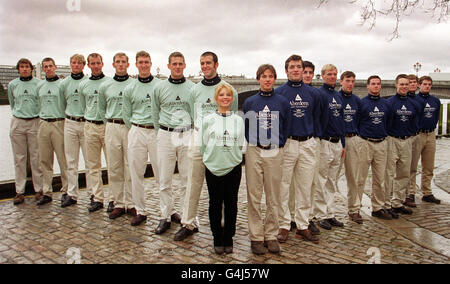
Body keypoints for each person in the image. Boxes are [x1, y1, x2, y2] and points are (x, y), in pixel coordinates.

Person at [174, 51, 238, 241]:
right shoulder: (194, 90)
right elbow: (192, 113)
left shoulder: (228, 89)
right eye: (202, 63)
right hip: (198, 139)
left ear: (216, 65)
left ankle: (224, 226)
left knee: (223, 187)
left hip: (220, 141)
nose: (205, 66)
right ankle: (188, 222)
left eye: (208, 63)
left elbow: (232, 116)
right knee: (193, 182)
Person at [243, 64, 290, 255]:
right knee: (253, 196)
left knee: (273, 196)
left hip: (274, 151)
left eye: (271, 76)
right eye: (264, 76)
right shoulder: (250, 102)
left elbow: (286, 127)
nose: (267, 79)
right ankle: (256, 237)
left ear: (275, 79)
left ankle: (270, 235)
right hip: (254, 149)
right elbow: (246, 127)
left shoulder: (283, 101)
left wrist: (277, 144)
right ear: (258, 79)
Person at [276, 55, 320, 244]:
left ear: (304, 70)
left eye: (299, 67)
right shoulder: (279, 93)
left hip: (308, 142)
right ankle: (284, 224)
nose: (295, 70)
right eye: (292, 67)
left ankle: (302, 225)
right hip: (288, 143)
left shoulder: (314, 94)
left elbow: (320, 117)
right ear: (286, 70)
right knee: (283, 186)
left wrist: (313, 136)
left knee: (305, 185)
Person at [152, 52, 194, 235]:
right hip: (165, 134)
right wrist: (161, 132)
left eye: (180, 64)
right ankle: (165, 216)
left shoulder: (193, 88)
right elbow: (155, 113)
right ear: (168, 66)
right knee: (164, 179)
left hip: (186, 134)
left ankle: (187, 217)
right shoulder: (159, 88)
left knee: (187, 180)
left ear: (185, 65)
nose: (177, 67)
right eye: (174, 64)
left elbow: (194, 113)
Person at [200, 83, 244, 255]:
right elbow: (202, 145)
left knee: (231, 203)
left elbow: (239, 143)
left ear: (232, 99)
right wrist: (210, 159)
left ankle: (229, 237)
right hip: (213, 167)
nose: (225, 97)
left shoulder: (238, 120)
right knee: (215, 203)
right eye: (222, 95)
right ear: (216, 98)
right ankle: (217, 236)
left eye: (228, 95)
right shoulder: (208, 120)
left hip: (233, 167)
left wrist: (231, 157)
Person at [122, 51, 161, 226]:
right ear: (136, 65)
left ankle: (167, 211)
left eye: (146, 62)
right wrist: (137, 128)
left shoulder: (160, 86)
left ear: (151, 64)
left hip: (156, 132)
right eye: (141, 62)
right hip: (137, 130)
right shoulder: (130, 88)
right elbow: (126, 115)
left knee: (162, 173)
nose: (144, 65)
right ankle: (140, 210)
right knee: (136, 173)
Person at [98, 52, 135, 219]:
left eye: (123, 62)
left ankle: (132, 203)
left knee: (131, 166)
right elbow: (101, 109)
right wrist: (110, 124)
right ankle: (118, 203)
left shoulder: (134, 84)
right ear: (113, 65)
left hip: (129, 128)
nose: (120, 65)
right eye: (118, 62)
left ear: (128, 64)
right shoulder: (106, 86)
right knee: (114, 167)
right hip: (112, 126)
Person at [313, 64, 345, 230]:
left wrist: (343, 143)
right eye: (329, 74)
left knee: (332, 181)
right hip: (325, 141)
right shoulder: (319, 94)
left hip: (337, 142)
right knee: (321, 179)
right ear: (323, 76)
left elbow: (341, 119)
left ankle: (330, 212)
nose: (332, 77)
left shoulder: (338, 96)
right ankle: (320, 214)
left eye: (334, 74)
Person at [357, 76, 393, 220]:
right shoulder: (361, 103)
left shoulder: (386, 104)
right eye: (373, 84)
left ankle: (377, 207)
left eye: (378, 84)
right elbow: (357, 122)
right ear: (368, 86)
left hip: (382, 143)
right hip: (365, 142)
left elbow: (388, 122)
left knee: (380, 178)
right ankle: (355, 207)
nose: (376, 86)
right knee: (360, 178)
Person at [384, 74, 421, 216]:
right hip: (392, 139)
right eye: (402, 84)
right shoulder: (389, 103)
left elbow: (415, 122)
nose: (404, 87)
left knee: (404, 173)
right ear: (396, 85)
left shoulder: (414, 104)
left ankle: (398, 202)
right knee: (389, 173)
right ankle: (386, 203)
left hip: (407, 140)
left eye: (406, 84)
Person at [8, 58, 43, 205]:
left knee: (36, 157)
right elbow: (12, 102)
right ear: (18, 69)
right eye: (21, 67)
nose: (24, 69)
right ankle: (19, 191)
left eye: (27, 67)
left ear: (31, 69)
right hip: (18, 122)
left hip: (34, 121)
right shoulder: (12, 84)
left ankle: (39, 190)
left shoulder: (38, 84)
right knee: (19, 158)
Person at [79, 53, 110, 212]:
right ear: (89, 65)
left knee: (112, 164)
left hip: (106, 126)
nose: (96, 66)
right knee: (93, 165)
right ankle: (97, 197)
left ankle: (113, 198)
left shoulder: (109, 83)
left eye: (98, 63)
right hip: (90, 126)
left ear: (102, 64)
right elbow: (85, 106)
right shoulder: (84, 85)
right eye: (93, 63)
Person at [35, 58, 68, 206]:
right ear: (43, 69)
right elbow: (37, 104)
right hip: (43, 123)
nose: (48, 69)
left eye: (50, 66)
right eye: (45, 67)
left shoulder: (62, 85)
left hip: (58, 122)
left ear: (55, 67)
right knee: (44, 160)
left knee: (63, 159)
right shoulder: (39, 85)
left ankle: (66, 190)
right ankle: (46, 191)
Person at [60, 54, 88, 207]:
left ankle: (93, 194)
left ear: (84, 65)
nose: (76, 65)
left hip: (85, 123)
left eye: (79, 63)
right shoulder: (64, 84)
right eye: (73, 63)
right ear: (70, 64)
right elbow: (61, 103)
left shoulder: (87, 82)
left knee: (90, 162)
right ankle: (72, 194)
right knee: (71, 161)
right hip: (70, 122)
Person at [337, 71, 363, 224]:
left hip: (352, 139)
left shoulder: (357, 101)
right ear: (341, 81)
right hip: (338, 141)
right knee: (330, 178)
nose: (350, 84)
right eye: (347, 80)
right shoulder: (336, 98)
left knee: (354, 176)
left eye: (353, 81)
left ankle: (354, 209)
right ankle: (326, 212)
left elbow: (360, 119)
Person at [414, 76, 441, 204]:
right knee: (413, 165)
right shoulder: (414, 100)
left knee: (429, 165)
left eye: (429, 84)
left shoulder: (435, 101)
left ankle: (427, 192)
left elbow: (435, 117)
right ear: (419, 85)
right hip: (418, 134)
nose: (427, 86)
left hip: (430, 134)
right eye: (425, 84)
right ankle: (410, 193)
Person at [405, 74, 421, 207]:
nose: (412, 85)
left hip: (416, 135)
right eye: (409, 82)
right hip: (404, 137)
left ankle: (411, 192)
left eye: (414, 82)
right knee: (401, 168)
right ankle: (400, 194)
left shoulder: (419, 100)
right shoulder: (401, 100)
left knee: (413, 167)